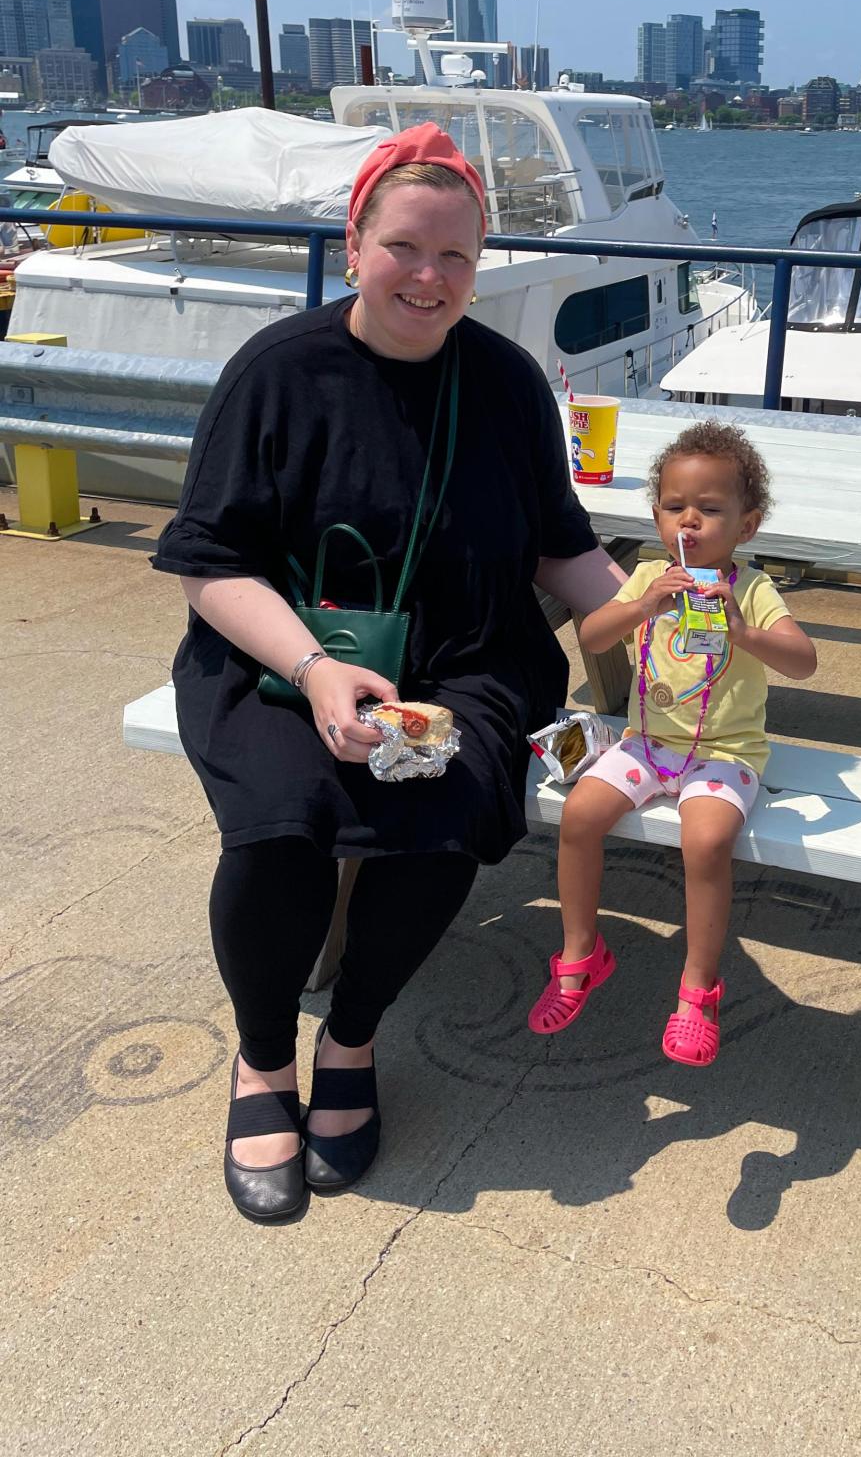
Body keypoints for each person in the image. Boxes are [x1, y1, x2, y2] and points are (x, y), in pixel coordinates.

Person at [153, 123, 624, 1223]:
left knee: (442, 807)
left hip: (466, 654)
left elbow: (559, 543)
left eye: (456, 257)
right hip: (284, 653)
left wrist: (656, 619)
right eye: (405, 248)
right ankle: (266, 1060)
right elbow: (208, 568)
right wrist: (317, 672)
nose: (430, 276)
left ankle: (354, 1036)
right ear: (356, 241)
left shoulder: (504, 381)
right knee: (283, 818)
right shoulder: (277, 371)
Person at [527, 420, 817, 1065]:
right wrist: (640, 606)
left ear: (747, 524)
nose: (689, 522)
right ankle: (580, 953)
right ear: (655, 515)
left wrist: (745, 631)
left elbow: (803, 662)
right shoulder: (649, 578)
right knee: (579, 816)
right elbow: (596, 638)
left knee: (706, 840)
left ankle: (697, 988)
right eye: (673, 507)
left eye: (710, 510)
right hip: (649, 741)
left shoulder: (752, 589)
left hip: (726, 751)